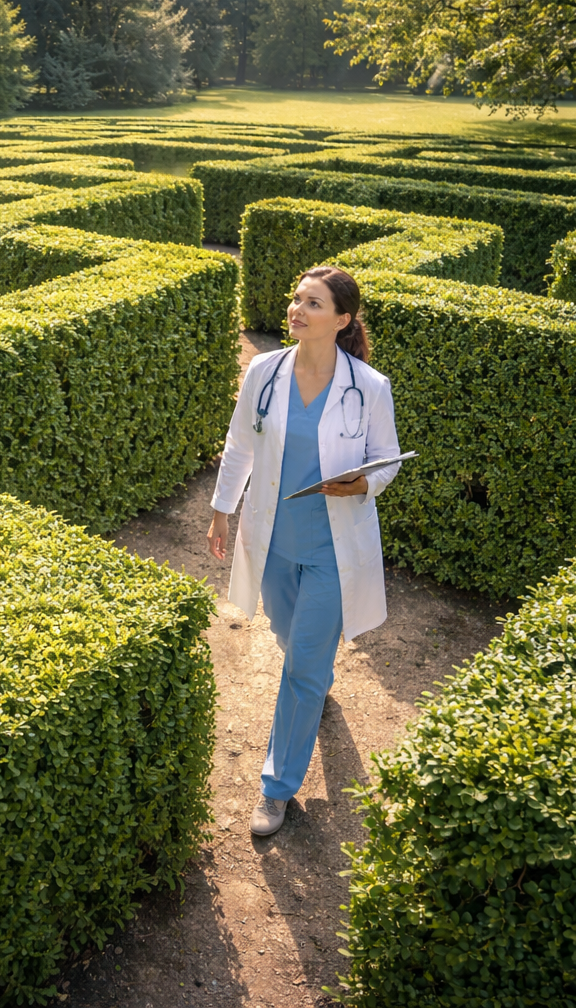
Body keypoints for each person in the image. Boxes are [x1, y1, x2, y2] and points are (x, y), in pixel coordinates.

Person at [206, 265, 401, 838]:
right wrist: (221, 509)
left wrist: (363, 483)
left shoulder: (369, 386)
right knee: (291, 641)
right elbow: (240, 442)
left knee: (300, 670)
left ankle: (275, 788)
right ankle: (316, 677)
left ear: (341, 321)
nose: (296, 309)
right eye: (296, 299)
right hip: (272, 540)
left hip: (332, 551)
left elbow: (386, 458)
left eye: (312, 303)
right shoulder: (263, 371)